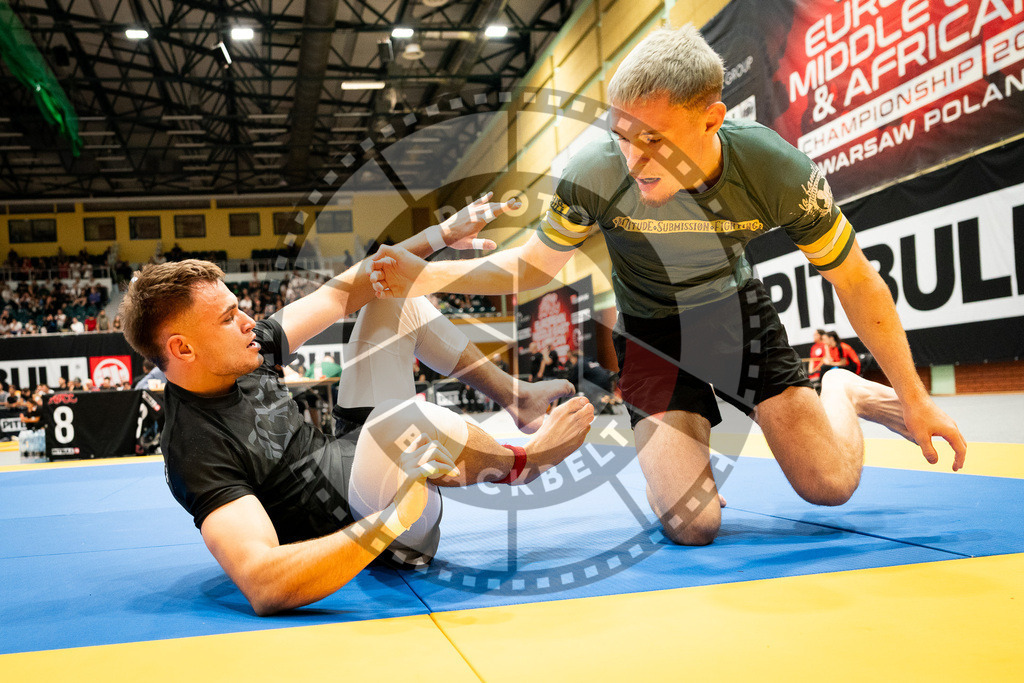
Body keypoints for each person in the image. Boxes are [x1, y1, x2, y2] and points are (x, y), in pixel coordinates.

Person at [368, 26, 966, 546]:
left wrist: (913, 397)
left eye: (654, 138)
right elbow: (532, 266)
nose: (633, 157)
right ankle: (685, 467)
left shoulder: (775, 171)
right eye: (623, 135)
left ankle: (842, 391)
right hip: (651, 333)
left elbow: (858, 282)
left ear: (712, 118)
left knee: (829, 487)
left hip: (736, 319)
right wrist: (423, 274)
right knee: (693, 525)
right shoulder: (595, 169)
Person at [117, 195, 594, 616]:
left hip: (352, 448)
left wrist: (441, 235)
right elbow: (263, 582)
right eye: (228, 318)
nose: (247, 321)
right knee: (397, 423)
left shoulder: (247, 351)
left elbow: (344, 289)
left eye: (239, 308)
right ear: (182, 350)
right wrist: (389, 521)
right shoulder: (195, 449)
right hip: (376, 524)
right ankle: (526, 463)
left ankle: (516, 397)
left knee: (391, 296)